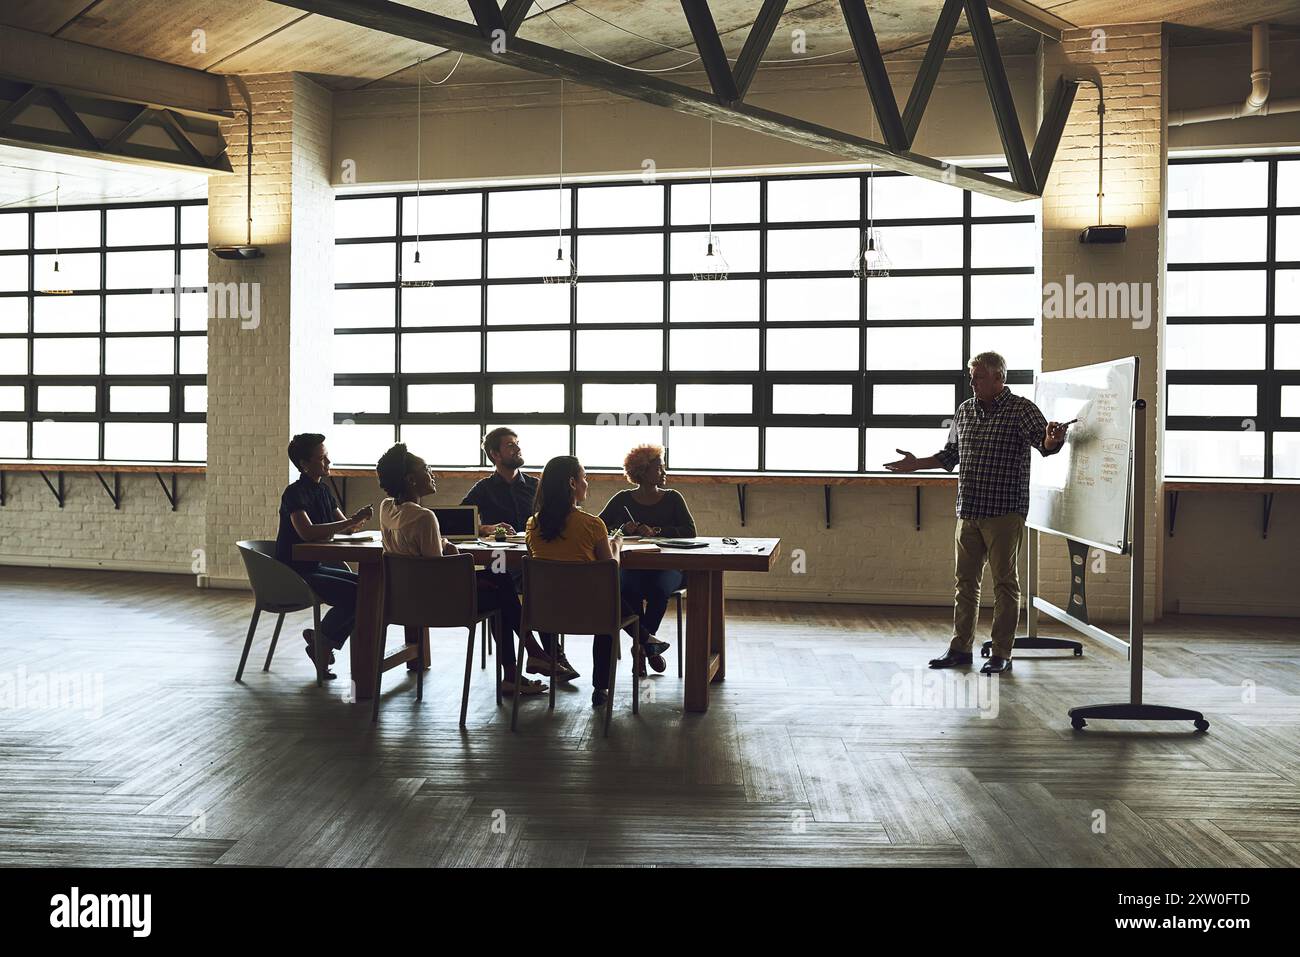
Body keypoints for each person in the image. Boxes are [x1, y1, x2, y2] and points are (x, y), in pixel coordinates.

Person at [884, 351, 1070, 675]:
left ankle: (1001, 653)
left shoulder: (1021, 409)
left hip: (1004, 514)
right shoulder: (965, 410)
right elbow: (950, 455)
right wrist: (917, 463)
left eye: (979, 376)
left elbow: (1045, 444)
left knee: (1004, 584)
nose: (972, 382)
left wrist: (1053, 439)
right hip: (968, 510)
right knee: (965, 584)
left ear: (1000, 378)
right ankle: (960, 648)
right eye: (971, 376)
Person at [376, 443, 547, 697]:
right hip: (439, 604)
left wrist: (446, 545)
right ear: (411, 480)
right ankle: (529, 656)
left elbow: (429, 549)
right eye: (426, 469)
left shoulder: (387, 508)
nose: (432, 473)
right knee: (502, 588)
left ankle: (524, 662)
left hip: (405, 600)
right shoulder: (424, 517)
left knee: (498, 578)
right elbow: (441, 576)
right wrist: (456, 555)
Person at [525, 455, 648, 707]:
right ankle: (600, 688)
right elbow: (610, 570)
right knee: (608, 606)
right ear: (572, 483)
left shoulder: (532, 525)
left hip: (545, 614)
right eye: (585, 478)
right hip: (590, 613)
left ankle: (647, 640)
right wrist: (617, 544)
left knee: (603, 603)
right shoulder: (592, 524)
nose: (587, 484)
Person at [462, 427, 578, 682]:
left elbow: (558, 516)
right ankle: (519, 666)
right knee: (498, 584)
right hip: (500, 559)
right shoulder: (483, 488)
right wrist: (486, 527)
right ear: (495, 454)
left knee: (544, 586)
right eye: (510, 446)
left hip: (535, 557)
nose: (517, 449)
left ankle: (551, 655)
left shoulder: (535, 485)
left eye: (517, 444)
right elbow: (459, 521)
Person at [275, 432, 372, 679]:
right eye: (322, 458)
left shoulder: (324, 491)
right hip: (293, 572)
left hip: (314, 566)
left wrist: (357, 519)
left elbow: (345, 527)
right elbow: (306, 533)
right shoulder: (294, 493)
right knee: (359, 593)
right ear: (305, 464)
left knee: (369, 587)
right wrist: (349, 522)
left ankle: (322, 641)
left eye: (327, 457)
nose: (328, 462)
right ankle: (323, 642)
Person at [597, 444, 691, 674]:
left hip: (668, 566)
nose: (663, 471)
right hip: (634, 565)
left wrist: (657, 531)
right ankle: (649, 645)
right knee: (629, 589)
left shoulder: (673, 498)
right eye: (658, 467)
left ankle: (640, 646)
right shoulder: (622, 499)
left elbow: (689, 531)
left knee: (659, 590)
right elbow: (598, 527)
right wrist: (620, 528)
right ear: (641, 471)